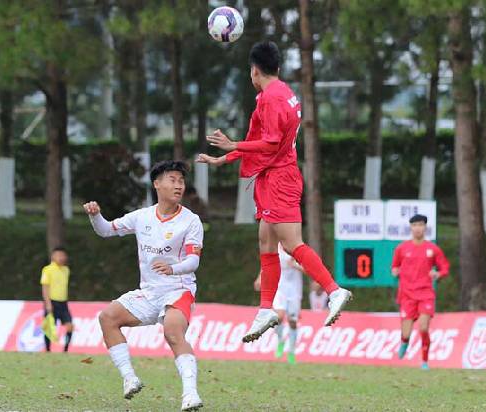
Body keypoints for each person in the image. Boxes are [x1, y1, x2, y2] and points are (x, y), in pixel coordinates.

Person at [197, 40, 352, 342]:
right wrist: (225, 157)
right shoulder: (282, 93)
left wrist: (233, 145)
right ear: (277, 68)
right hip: (273, 177)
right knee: (266, 242)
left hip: (280, 179)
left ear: (254, 71)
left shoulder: (270, 99)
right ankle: (266, 308)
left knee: (292, 244)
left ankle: (334, 291)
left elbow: (269, 142)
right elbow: (265, 140)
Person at [83, 160, 204, 412]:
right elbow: (106, 230)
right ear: (156, 184)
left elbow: (193, 261)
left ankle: (190, 394)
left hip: (178, 289)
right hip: (149, 292)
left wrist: (174, 268)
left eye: (181, 181)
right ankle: (130, 378)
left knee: (172, 330)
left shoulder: (191, 221)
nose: (179, 185)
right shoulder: (142, 217)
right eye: (172, 179)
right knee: (108, 318)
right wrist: (96, 216)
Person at [391, 214, 449, 370]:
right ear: (411, 227)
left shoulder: (433, 249)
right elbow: (394, 267)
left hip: (425, 294)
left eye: (421, 225)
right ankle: (404, 341)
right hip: (407, 295)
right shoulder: (401, 248)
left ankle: (424, 361)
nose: (418, 228)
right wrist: (395, 271)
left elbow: (445, 268)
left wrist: (438, 274)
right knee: (407, 332)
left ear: (425, 227)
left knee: (423, 327)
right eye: (415, 225)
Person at [254, 243, 304, 364]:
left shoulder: (297, 247)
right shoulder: (274, 246)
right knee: (279, 316)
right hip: (279, 287)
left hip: (294, 289)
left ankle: (291, 351)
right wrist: (260, 278)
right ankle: (280, 341)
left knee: (293, 321)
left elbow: (307, 269)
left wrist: (294, 265)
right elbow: (267, 264)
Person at [40, 247, 74, 353]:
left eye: (63, 255)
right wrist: (48, 303)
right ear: (53, 256)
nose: (61, 258)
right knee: (50, 327)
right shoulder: (47, 269)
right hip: (52, 302)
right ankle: (48, 350)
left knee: (70, 326)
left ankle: (65, 350)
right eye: (58, 255)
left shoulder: (66, 270)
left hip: (63, 303)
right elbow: (45, 287)